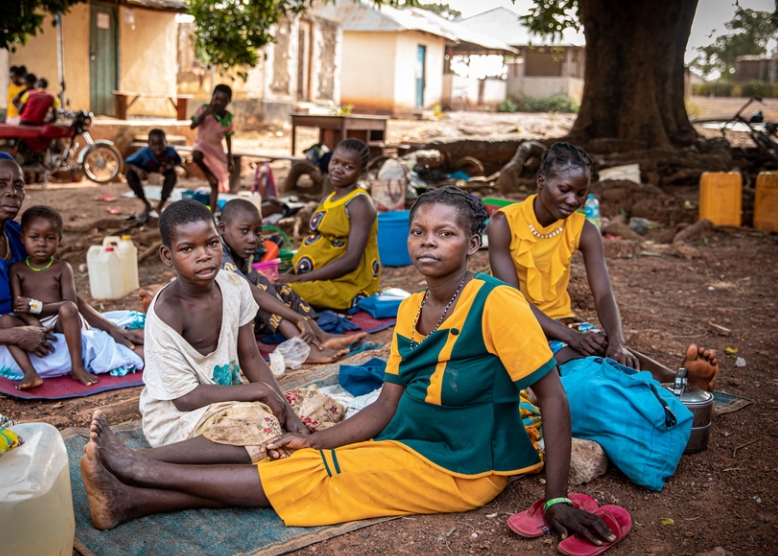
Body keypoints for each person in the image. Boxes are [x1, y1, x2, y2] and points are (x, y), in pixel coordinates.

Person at [78, 187, 617, 553]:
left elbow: (551, 397)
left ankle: (146, 472)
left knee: (320, 479)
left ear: (474, 243)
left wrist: (557, 497)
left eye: (446, 234)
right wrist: (318, 440)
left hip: (463, 466)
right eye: (420, 231)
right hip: (412, 439)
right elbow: (385, 405)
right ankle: (129, 499)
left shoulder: (498, 304)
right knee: (307, 458)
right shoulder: (410, 310)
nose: (428, 242)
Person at [486, 142, 719, 392]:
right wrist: (572, 336)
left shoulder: (585, 229)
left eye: (581, 193)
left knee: (610, 351)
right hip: (512, 319)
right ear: (541, 181)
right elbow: (513, 302)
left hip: (561, 321)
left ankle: (679, 381)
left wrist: (617, 341)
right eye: (564, 189)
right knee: (575, 357)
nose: (572, 200)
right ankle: (653, 392)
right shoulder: (503, 223)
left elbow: (604, 293)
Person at [0, 152, 145, 383]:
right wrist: (16, 335)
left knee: (124, 323)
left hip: (19, 328)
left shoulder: (14, 235)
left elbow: (60, 294)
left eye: (18, 185)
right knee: (86, 348)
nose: (12, 192)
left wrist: (111, 328)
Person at [139, 200, 308, 463]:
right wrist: (259, 392)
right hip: (179, 418)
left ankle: (262, 441)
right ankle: (147, 459)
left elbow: (250, 357)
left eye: (211, 243)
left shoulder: (234, 287)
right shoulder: (168, 312)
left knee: (318, 407)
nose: (203, 255)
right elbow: (184, 399)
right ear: (167, 256)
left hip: (230, 401)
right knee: (262, 428)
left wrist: (288, 413)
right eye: (187, 249)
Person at [217, 198, 362, 363]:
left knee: (282, 290)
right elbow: (252, 291)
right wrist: (297, 318)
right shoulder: (217, 252)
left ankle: (321, 336)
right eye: (244, 231)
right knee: (259, 285)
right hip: (217, 322)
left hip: (242, 314)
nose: (252, 239)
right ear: (222, 228)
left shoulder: (242, 251)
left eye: (257, 232)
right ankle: (304, 348)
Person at [277, 138, 381, 311]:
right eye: (335, 162)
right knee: (263, 287)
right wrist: (290, 274)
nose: (338, 169)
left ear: (362, 171)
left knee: (274, 294)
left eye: (348, 167)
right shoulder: (328, 200)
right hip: (316, 278)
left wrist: (300, 279)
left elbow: (351, 261)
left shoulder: (360, 203)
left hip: (346, 285)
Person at [2, 205, 99, 390]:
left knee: (68, 308)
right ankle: (30, 373)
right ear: (22, 239)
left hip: (61, 320)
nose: (41, 243)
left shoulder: (62, 268)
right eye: (34, 237)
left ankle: (77, 367)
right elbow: (18, 306)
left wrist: (36, 307)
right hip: (32, 321)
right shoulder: (17, 269)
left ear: (59, 240)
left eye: (49, 238)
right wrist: (33, 321)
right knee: (5, 321)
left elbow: (69, 304)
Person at [190, 84, 235, 212]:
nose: (219, 103)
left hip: (216, 150)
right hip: (202, 144)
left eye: (223, 101)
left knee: (215, 184)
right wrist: (206, 113)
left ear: (228, 102)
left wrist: (230, 157)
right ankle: (208, 175)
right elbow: (193, 125)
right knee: (196, 154)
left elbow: (228, 137)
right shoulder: (204, 109)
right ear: (212, 98)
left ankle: (212, 211)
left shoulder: (228, 118)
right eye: (217, 99)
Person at [124, 129, 183, 220]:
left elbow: (179, 161)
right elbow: (129, 162)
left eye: (161, 144)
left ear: (166, 143)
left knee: (172, 175)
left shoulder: (171, 152)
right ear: (148, 144)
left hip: (164, 170)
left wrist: (170, 166)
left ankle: (159, 206)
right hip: (145, 168)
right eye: (154, 144)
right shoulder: (143, 153)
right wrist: (138, 170)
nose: (158, 148)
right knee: (129, 174)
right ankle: (147, 204)